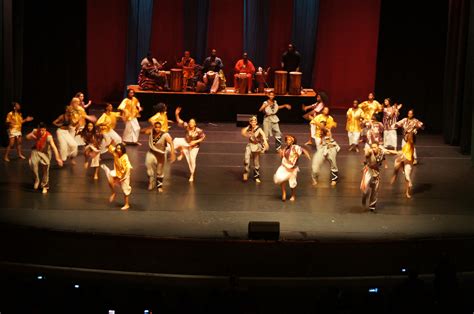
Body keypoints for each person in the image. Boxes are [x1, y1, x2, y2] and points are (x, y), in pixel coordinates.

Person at [26, 122, 63, 194]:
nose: (41, 132)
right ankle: (37, 179)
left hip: (45, 153)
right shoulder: (35, 131)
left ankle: (44, 186)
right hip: (36, 151)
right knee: (32, 164)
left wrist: (58, 158)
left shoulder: (49, 137)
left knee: (45, 168)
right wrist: (31, 135)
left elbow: (54, 147)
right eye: (40, 130)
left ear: (45, 129)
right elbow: (27, 138)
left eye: (43, 130)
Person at [360, 142, 397, 212]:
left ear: (378, 147)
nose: (373, 149)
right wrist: (367, 150)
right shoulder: (370, 152)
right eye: (372, 147)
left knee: (375, 190)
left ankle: (372, 206)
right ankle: (364, 199)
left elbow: (390, 152)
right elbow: (367, 154)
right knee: (365, 190)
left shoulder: (382, 151)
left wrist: (398, 152)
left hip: (376, 172)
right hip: (368, 171)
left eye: (375, 147)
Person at [273, 135, 310, 201]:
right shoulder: (285, 149)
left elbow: (303, 150)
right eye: (287, 140)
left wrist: (309, 158)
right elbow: (282, 157)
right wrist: (281, 154)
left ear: (293, 141)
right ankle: (284, 193)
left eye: (290, 140)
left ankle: (293, 195)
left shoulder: (296, 147)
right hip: (284, 166)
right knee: (281, 179)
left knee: (292, 183)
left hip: (292, 169)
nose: (288, 141)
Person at [174, 107, 206, 182]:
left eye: (192, 122)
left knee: (191, 160)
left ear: (195, 124)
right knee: (176, 140)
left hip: (194, 146)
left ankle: (192, 174)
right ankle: (181, 153)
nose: (190, 123)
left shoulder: (198, 131)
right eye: (190, 122)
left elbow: (203, 137)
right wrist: (176, 115)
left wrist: (195, 141)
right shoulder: (187, 126)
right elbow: (179, 121)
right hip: (186, 142)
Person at [142, 121, 175, 192]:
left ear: (161, 128)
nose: (157, 129)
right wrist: (148, 128)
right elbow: (141, 131)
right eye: (156, 127)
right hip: (151, 153)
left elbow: (171, 143)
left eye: (158, 127)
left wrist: (172, 153)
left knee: (159, 171)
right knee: (148, 167)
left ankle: (159, 186)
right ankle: (151, 182)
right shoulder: (151, 132)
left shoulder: (165, 135)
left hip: (160, 155)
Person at [101, 142, 132, 210]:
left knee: (125, 190)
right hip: (117, 172)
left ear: (122, 150)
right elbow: (110, 147)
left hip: (124, 174)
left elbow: (128, 168)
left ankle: (127, 204)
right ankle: (113, 193)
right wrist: (109, 143)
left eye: (119, 149)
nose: (117, 149)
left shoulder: (125, 158)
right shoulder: (115, 152)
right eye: (117, 148)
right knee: (110, 179)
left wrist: (124, 178)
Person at [241, 116, 269, 183]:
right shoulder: (249, 128)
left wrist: (265, 142)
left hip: (256, 146)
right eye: (252, 122)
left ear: (256, 122)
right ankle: (246, 172)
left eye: (255, 121)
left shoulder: (259, 128)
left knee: (256, 162)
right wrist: (247, 127)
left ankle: (256, 176)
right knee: (246, 159)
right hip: (249, 146)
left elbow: (263, 135)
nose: (253, 123)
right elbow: (243, 133)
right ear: (250, 122)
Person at [390, 132, 416, 198]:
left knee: (407, 177)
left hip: (408, 162)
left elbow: (406, 157)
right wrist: (387, 150)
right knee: (397, 163)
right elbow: (401, 153)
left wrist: (411, 130)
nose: (406, 137)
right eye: (406, 136)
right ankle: (395, 174)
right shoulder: (405, 146)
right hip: (404, 160)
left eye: (408, 136)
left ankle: (407, 192)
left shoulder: (411, 144)